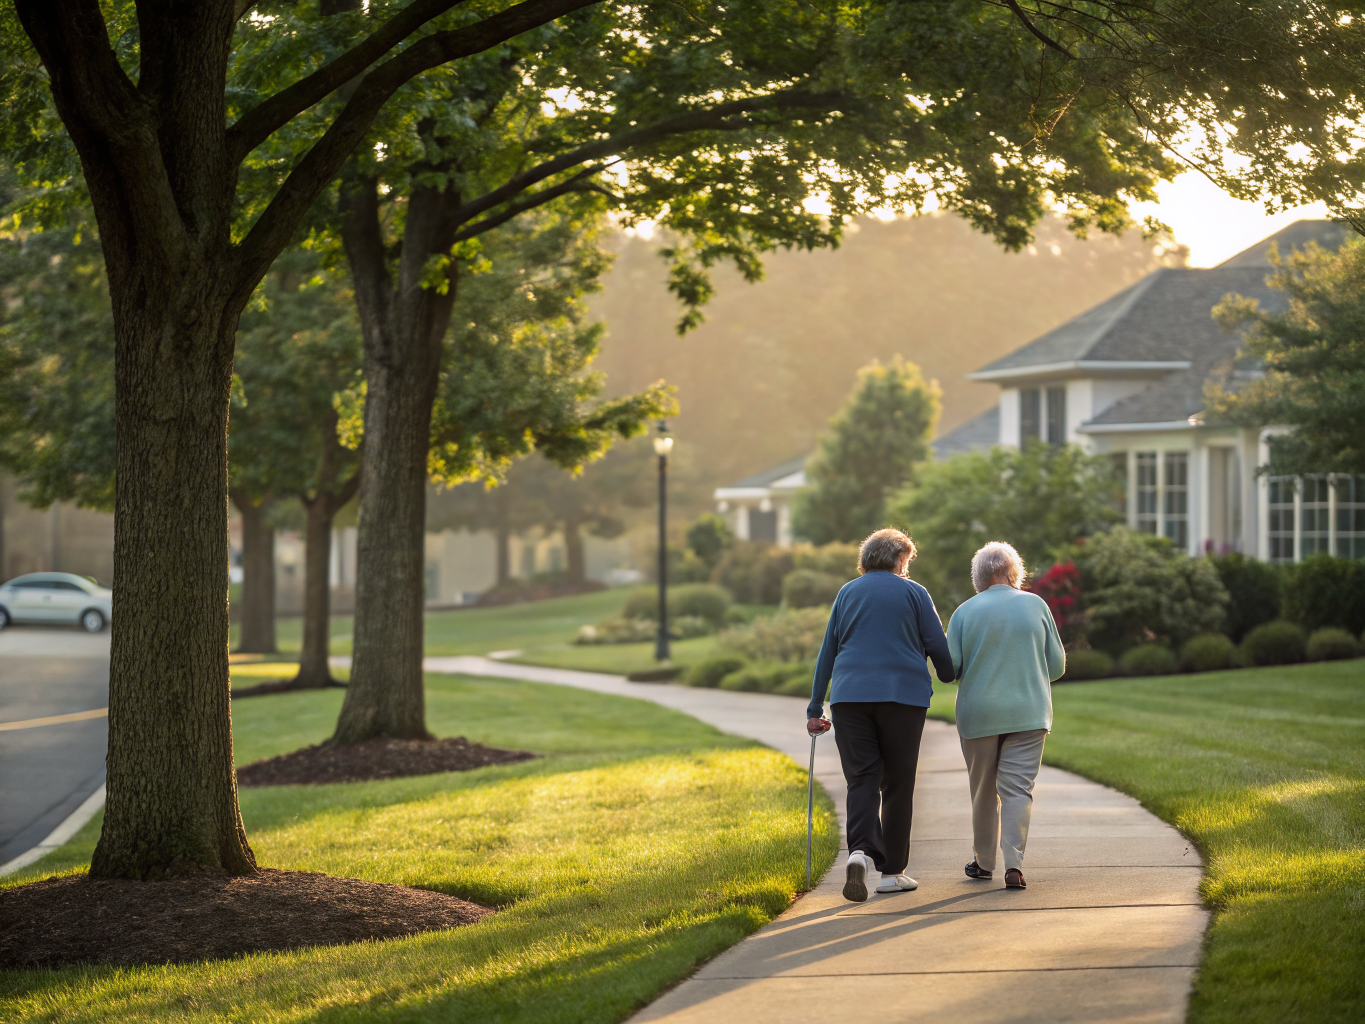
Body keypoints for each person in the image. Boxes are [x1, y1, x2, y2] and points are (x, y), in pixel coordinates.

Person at [807, 527, 954, 903]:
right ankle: (892, 873)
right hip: (902, 698)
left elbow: (828, 651)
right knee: (898, 783)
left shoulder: (847, 593)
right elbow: (937, 644)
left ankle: (858, 853)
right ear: (899, 559)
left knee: (862, 779)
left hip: (849, 698)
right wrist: (949, 671)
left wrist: (814, 708)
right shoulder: (914, 592)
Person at [945, 541, 1065, 890]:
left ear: (978, 577)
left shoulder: (964, 612)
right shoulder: (1036, 605)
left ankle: (983, 864)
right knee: (1017, 790)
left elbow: (950, 669)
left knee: (983, 790)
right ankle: (1015, 866)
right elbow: (1055, 667)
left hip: (979, 714)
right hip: (1029, 712)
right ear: (1015, 572)